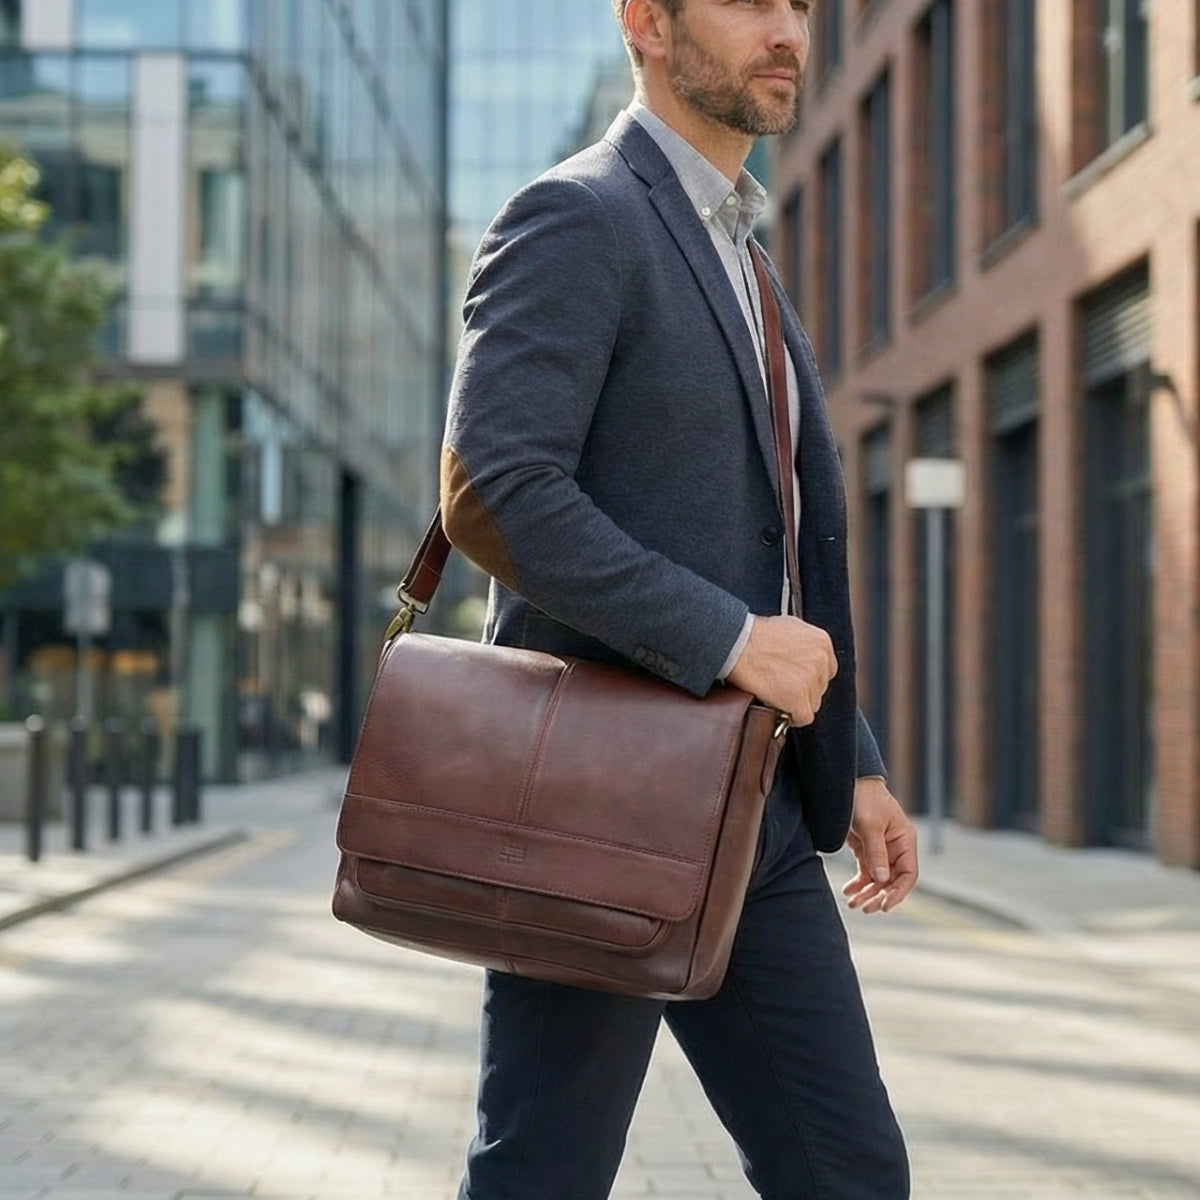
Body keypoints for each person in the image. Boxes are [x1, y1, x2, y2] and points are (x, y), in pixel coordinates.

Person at [439, 2, 918, 1196]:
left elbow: (775, 548)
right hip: (605, 807)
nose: (789, 31)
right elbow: (495, 492)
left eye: (801, 6)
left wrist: (846, 757)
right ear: (647, 21)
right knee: (543, 1173)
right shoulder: (576, 217)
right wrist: (729, 642)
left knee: (852, 1171)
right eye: (752, 1)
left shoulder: (746, 259)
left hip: (751, 817)